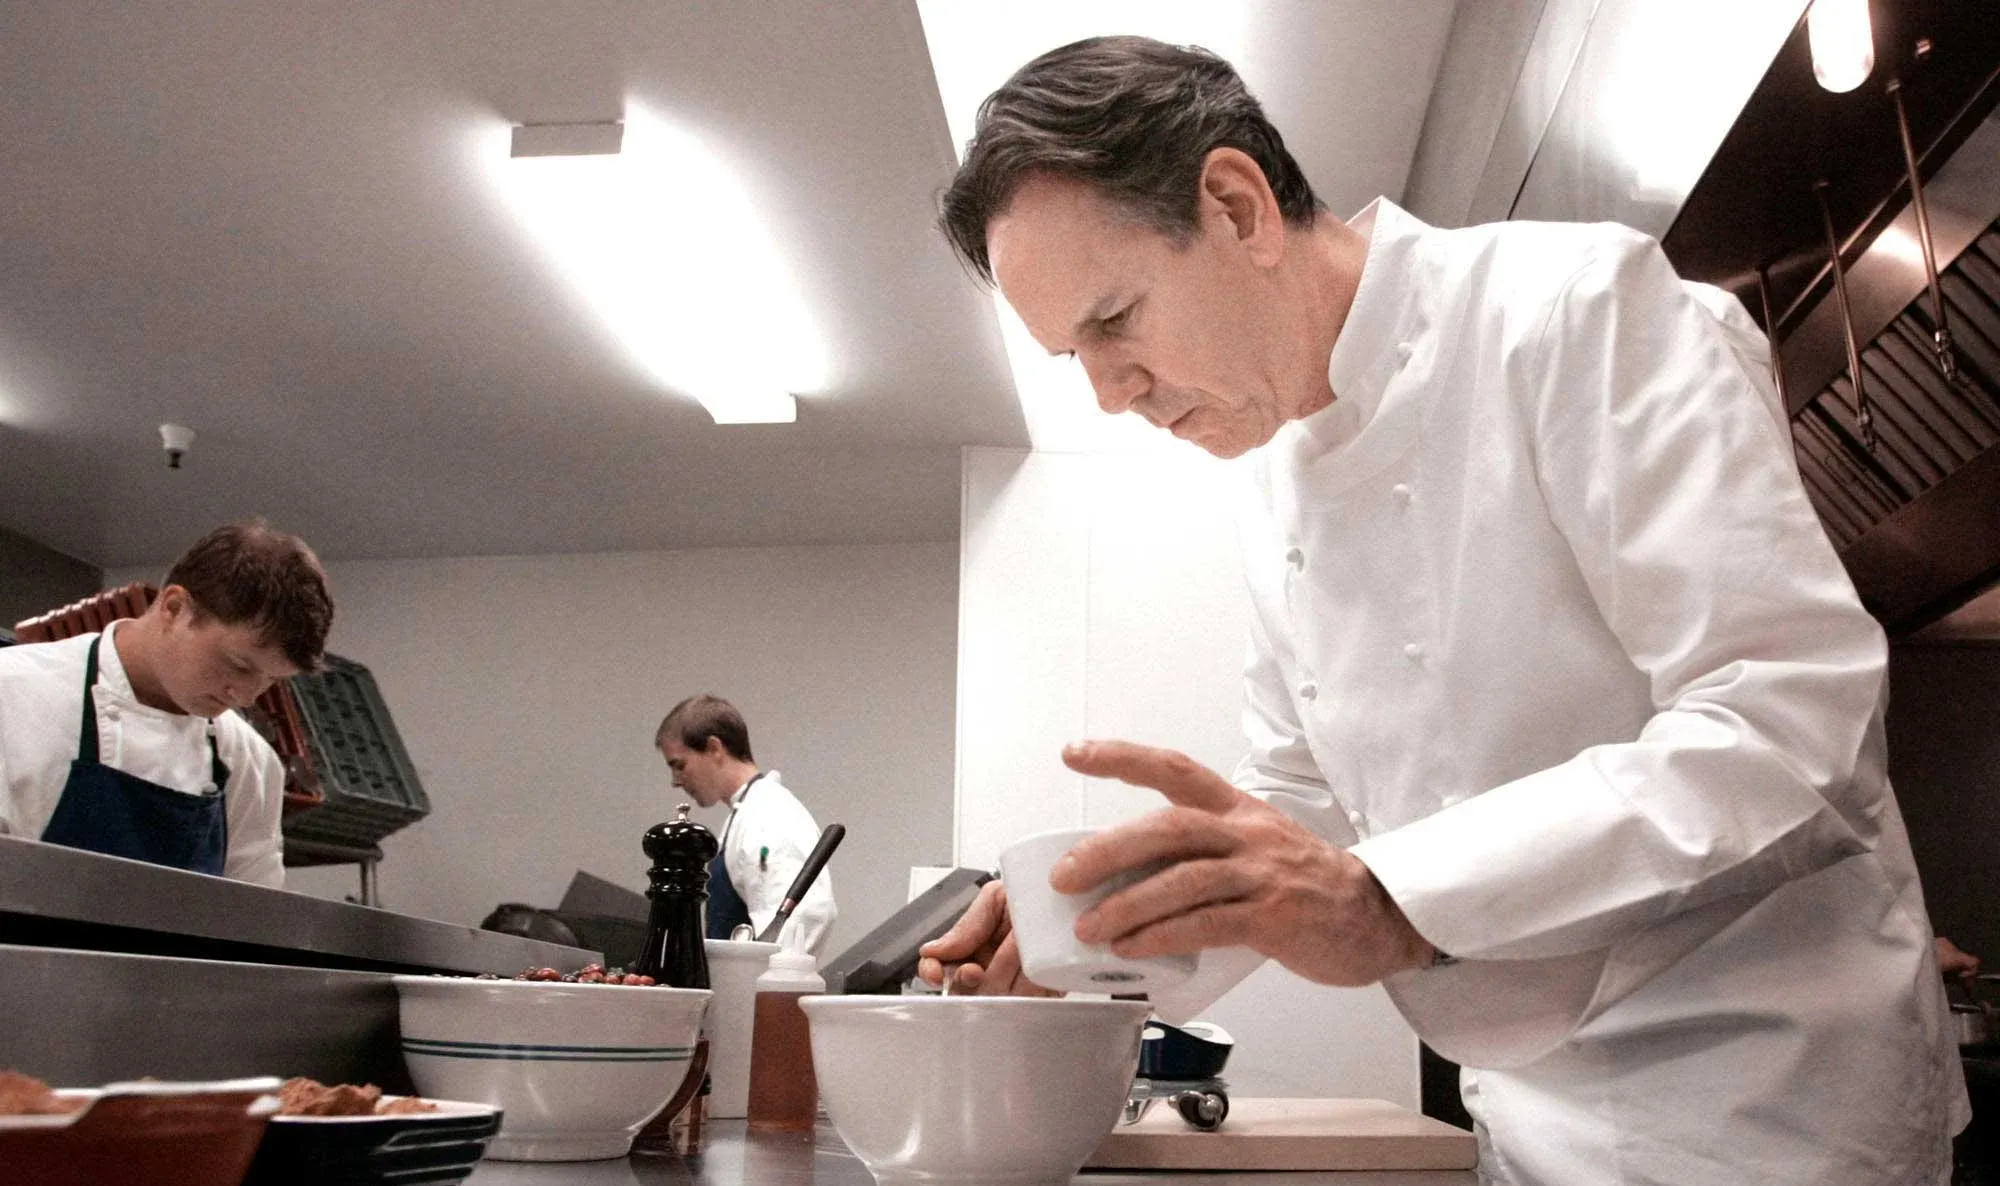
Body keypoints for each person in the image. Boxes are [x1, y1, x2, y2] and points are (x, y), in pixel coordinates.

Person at [917, 35, 1967, 1186]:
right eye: (1071, 355)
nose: (1109, 394)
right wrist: (1089, 921)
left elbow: (1787, 721)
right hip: (1522, 1116)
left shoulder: (1572, 312)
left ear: (1236, 207)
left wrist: (1395, 899)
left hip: (1770, 1103)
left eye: (1113, 321)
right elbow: (1303, 803)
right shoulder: (1275, 476)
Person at [0, 521, 332, 886]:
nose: (246, 695)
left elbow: (250, 909)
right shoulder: (13, 691)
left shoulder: (249, 760)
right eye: (238, 665)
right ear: (174, 608)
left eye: (270, 679)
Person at [655, 694, 836, 955]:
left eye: (679, 765)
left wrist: (764, 977)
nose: (675, 781)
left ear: (714, 748)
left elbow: (806, 916)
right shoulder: (747, 814)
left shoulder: (767, 816)